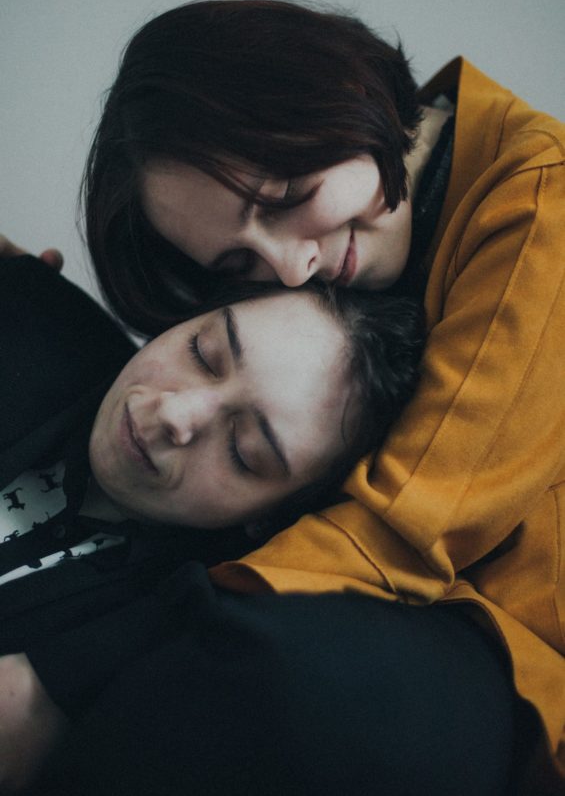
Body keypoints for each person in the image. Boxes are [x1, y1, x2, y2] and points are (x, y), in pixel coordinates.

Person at [2, 0, 563, 794]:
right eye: (239, 266)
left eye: (285, 195)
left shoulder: (540, 206)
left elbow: (402, 529)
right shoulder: (352, 252)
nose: (291, 267)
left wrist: (63, 675)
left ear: (335, 92)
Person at [0, 250, 424, 792]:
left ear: (268, 517)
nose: (175, 415)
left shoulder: (171, 646)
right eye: (203, 352)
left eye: (245, 452)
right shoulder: (29, 312)